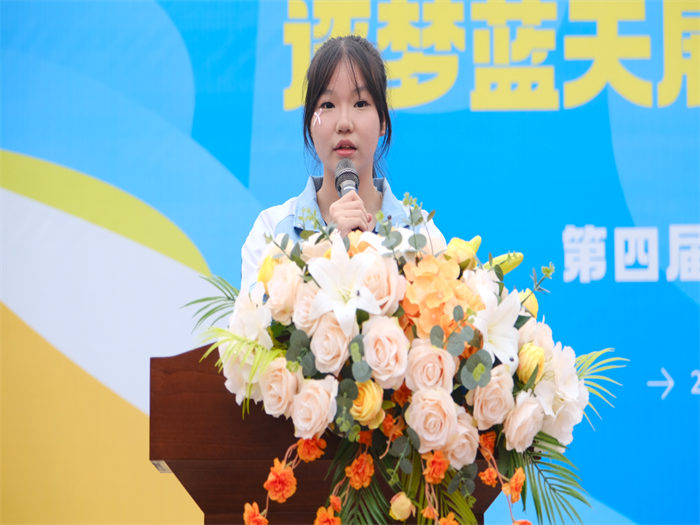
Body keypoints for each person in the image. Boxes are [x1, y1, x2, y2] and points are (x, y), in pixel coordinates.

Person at [240, 35, 444, 290]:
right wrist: (331, 244)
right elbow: (257, 312)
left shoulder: (419, 232)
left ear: (383, 120)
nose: (344, 123)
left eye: (360, 103)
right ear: (309, 124)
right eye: (328, 104)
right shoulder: (273, 231)